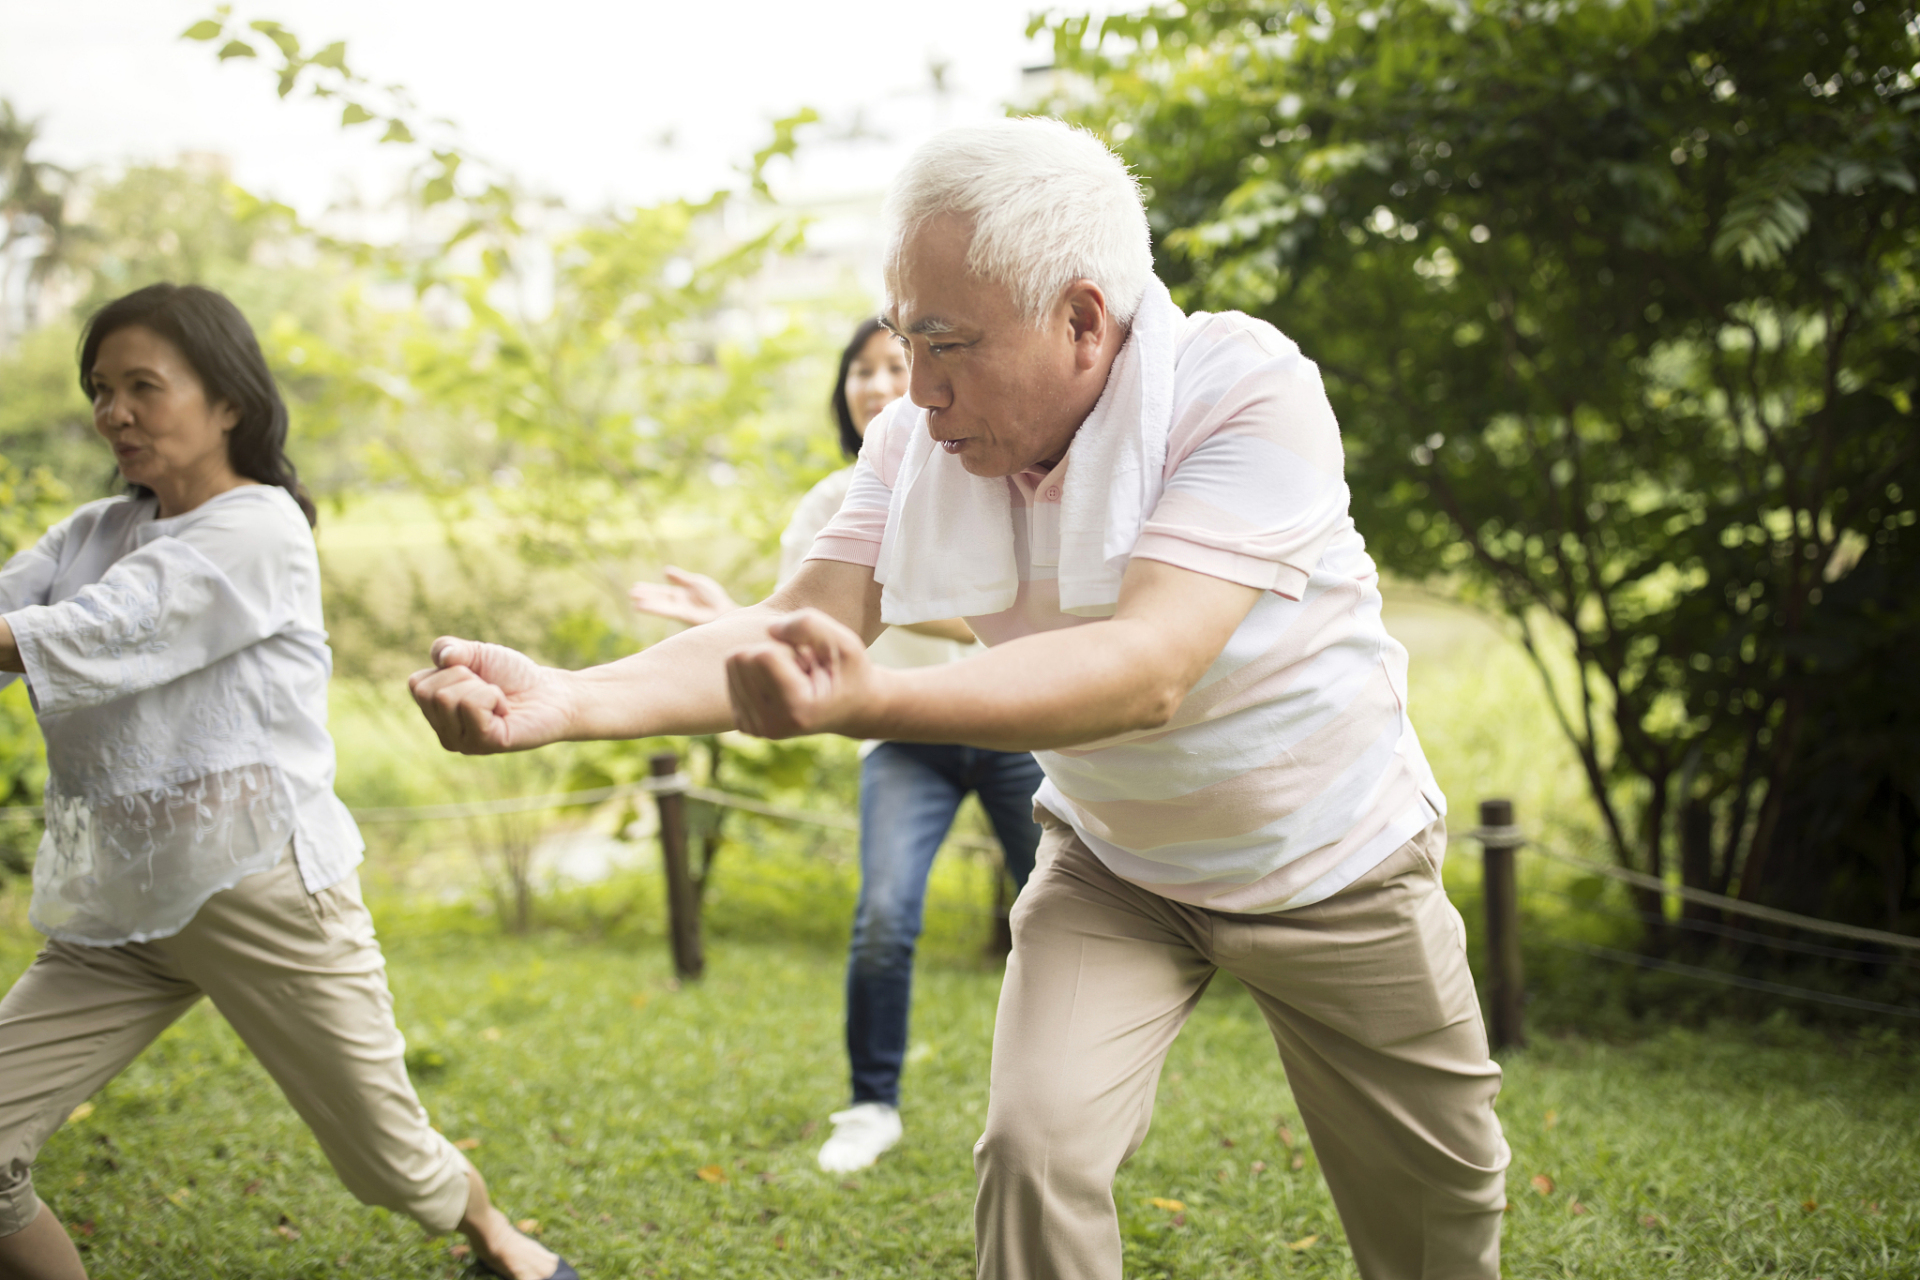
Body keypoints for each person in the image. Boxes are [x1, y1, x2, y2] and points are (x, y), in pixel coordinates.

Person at [410, 118, 1510, 1279]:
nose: (916, 388)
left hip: (1333, 858)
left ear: (1084, 319)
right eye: (901, 338)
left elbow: (1148, 667)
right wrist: (568, 700)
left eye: (948, 344)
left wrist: (871, 697)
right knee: (1033, 1151)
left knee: (1434, 1221)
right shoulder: (912, 448)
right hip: (1121, 868)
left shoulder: (1242, 391)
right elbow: (800, 626)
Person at [0, 284, 572, 1280]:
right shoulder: (92, 531)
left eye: (144, 385)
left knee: (390, 1165)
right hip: (126, 902)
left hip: (263, 890)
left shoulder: (256, 529)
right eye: (101, 389)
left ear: (227, 399)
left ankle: (499, 1237)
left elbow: (91, 632)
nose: (114, 412)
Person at [628, 319, 1045, 1174]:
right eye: (864, 369)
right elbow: (799, 622)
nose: (881, 380)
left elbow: (998, 619)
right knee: (885, 918)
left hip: (1008, 725)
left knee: (1059, 911)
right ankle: (870, 1105)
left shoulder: (990, 480)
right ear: (845, 392)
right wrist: (727, 620)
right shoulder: (830, 501)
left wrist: (889, 600)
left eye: (899, 362)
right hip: (899, 738)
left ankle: (1050, 1105)